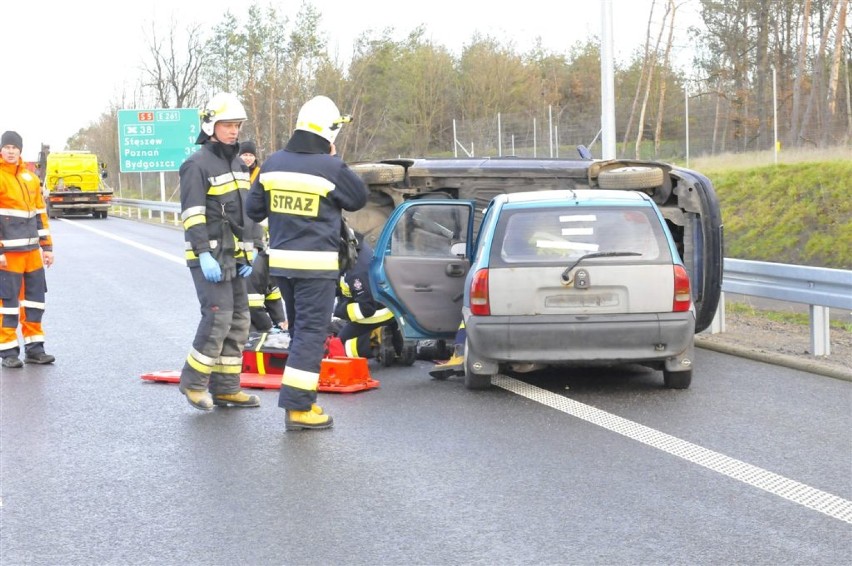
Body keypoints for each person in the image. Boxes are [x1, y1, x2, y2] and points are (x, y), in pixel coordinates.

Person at [247, 95, 368, 431]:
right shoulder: (331, 167)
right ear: (330, 132)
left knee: (301, 331)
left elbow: (254, 210)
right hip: (317, 267)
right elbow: (358, 199)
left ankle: (302, 400)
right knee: (311, 334)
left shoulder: (271, 164)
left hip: (282, 265)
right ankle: (298, 407)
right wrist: (335, 162)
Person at [177, 92, 259, 411]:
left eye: (237, 125)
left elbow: (246, 214)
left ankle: (226, 388)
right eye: (227, 124)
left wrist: (249, 251)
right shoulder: (195, 164)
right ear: (211, 125)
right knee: (218, 318)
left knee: (239, 319)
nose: (234, 130)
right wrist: (203, 253)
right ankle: (193, 383)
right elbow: (193, 213)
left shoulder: (239, 163)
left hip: (234, 255)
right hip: (209, 255)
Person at [0, 131, 55, 368]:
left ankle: (35, 349)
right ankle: (9, 352)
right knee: (8, 303)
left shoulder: (30, 178)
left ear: (21, 151)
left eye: (15, 147)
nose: (11, 151)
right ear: (1, 150)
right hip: (9, 255)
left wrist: (47, 247)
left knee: (34, 301)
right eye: (7, 147)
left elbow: (40, 214)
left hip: (32, 252)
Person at [333, 231, 398, 360]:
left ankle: (374, 340)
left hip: (375, 313)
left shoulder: (356, 272)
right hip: (387, 307)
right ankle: (395, 342)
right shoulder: (356, 248)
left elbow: (366, 309)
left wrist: (339, 310)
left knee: (340, 346)